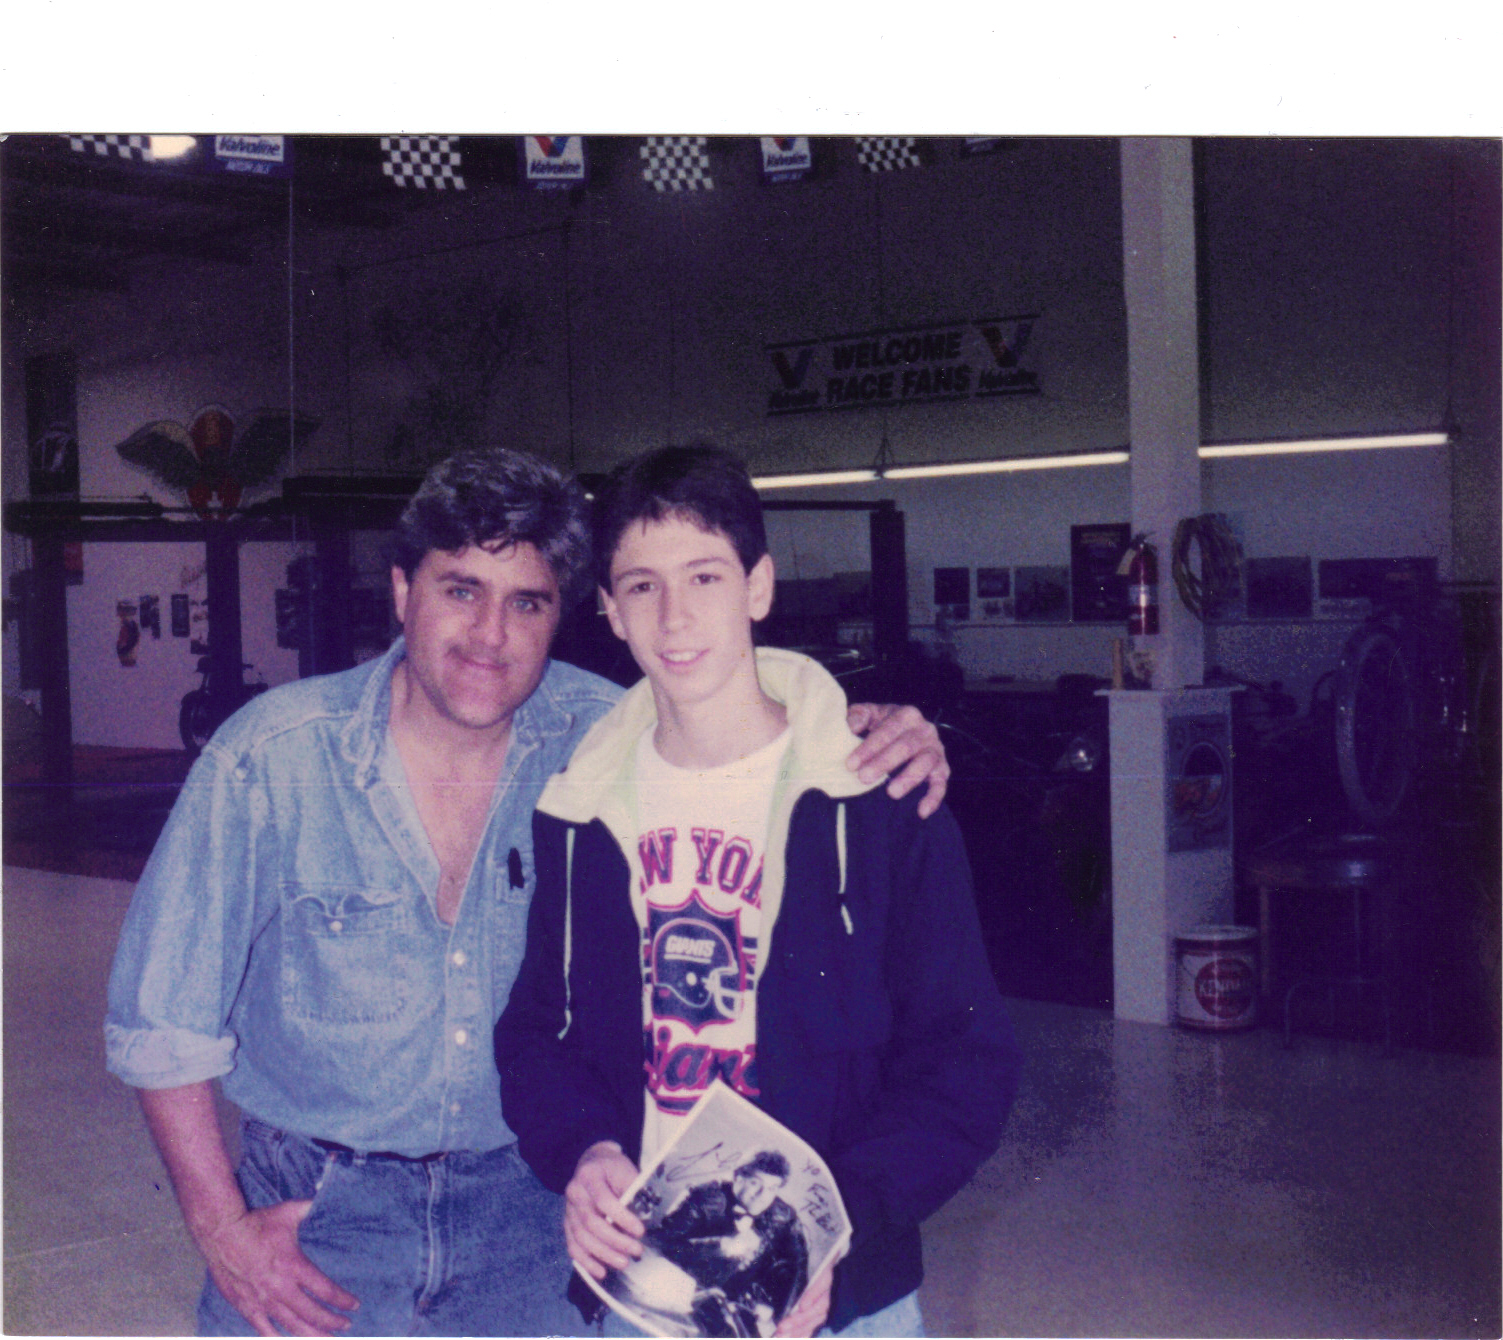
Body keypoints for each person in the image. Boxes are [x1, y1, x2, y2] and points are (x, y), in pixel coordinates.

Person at [104, 446, 954, 1339]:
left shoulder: (602, 742)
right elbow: (160, 1023)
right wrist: (223, 1232)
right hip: (323, 1222)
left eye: (527, 602)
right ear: (402, 591)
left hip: (533, 1225)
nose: (490, 635)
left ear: (563, 616)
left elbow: (738, 711)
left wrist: (867, 731)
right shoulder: (273, 758)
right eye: (460, 589)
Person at [494, 445, 1023, 1338]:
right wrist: (584, 1149)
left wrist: (834, 1227)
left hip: (840, 1297)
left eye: (704, 576)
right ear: (609, 610)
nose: (674, 617)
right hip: (648, 1290)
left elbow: (964, 1064)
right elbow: (537, 1033)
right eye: (641, 586)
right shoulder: (578, 811)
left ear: (759, 586)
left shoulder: (880, 798)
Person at [642, 1151, 809, 1338]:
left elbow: (798, 1273)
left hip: (738, 1308)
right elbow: (660, 1243)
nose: (762, 1196)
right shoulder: (703, 1197)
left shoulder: (784, 1217)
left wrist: (779, 1318)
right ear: (738, 1177)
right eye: (755, 1183)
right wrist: (718, 1247)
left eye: (772, 1188)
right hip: (683, 1297)